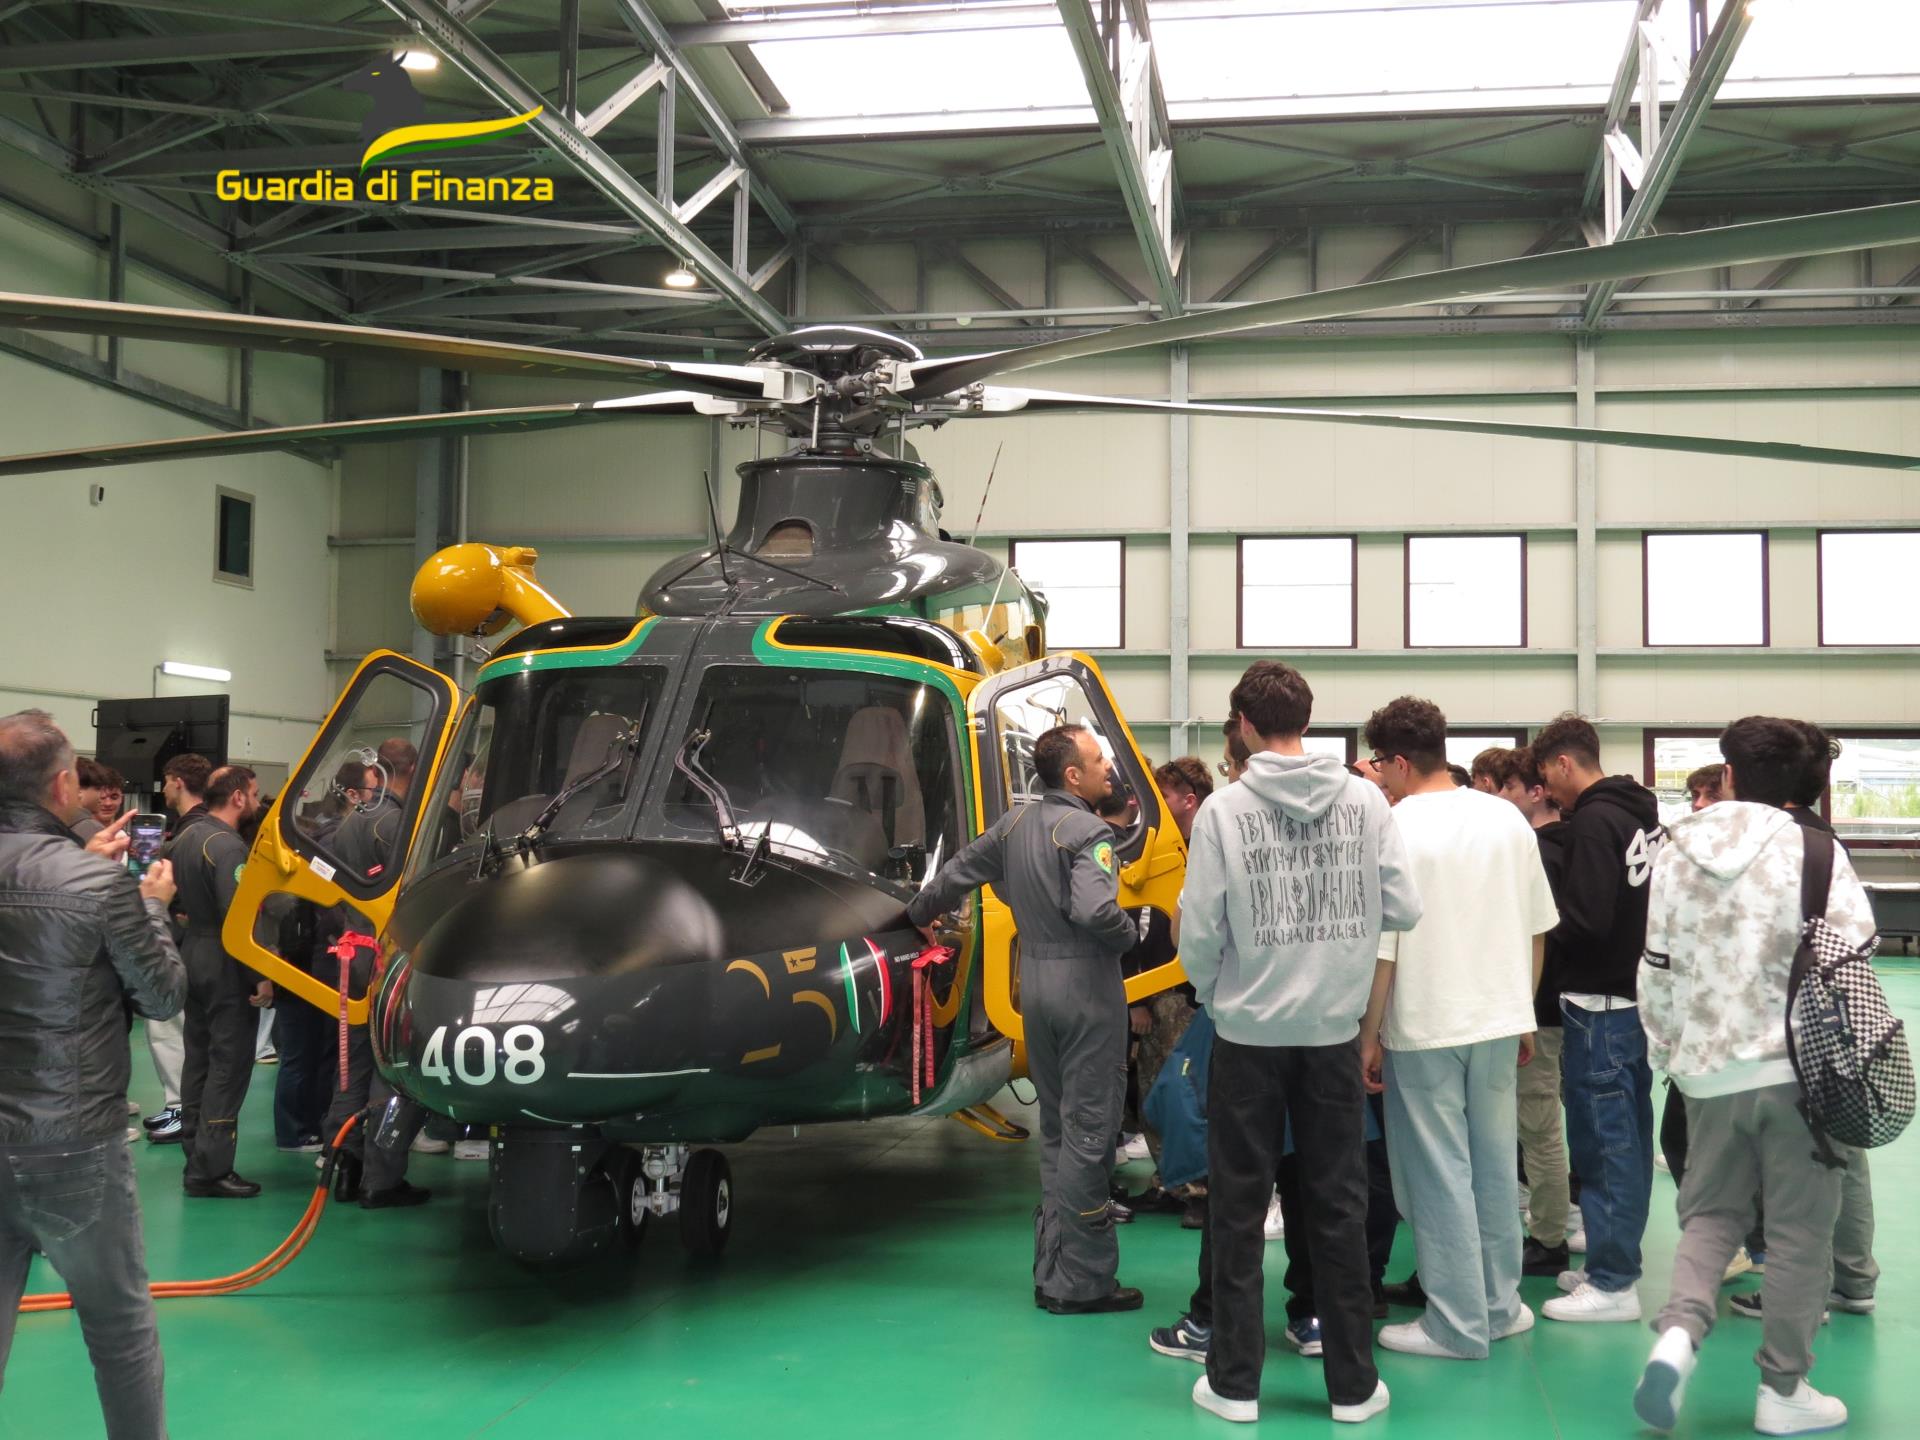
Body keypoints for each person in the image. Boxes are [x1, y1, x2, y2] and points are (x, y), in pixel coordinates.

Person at [1176, 663, 1417, 1425]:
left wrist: (1218, 997)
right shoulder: (1364, 800)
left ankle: (1235, 1385)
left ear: (1243, 725)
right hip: (1332, 1034)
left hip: (1247, 1034)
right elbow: (1404, 905)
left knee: (1239, 1208)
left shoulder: (1223, 809)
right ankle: (1352, 1386)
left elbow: (1201, 930)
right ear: (1306, 721)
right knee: (1338, 1205)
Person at [1633, 717, 1876, 1437]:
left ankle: (1678, 1336)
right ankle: (1783, 1390)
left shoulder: (1672, 846)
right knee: (1801, 1229)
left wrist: (1669, 1053)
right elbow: (1852, 956)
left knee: (1710, 1217)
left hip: (1705, 1071)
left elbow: (1657, 966)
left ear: (1729, 773)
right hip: (1799, 1073)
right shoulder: (1815, 849)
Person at [910, 724, 1142, 1313]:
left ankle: (1052, 1266)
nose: (1107, 768)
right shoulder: (1090, 832)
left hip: (1034, 987)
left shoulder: (1012, 825)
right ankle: (1082, 1282)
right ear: (1073, 776)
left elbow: (956, 873)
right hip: (1088, 987)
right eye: (1097, 760)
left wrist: (916, 913)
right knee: (1091, 1132)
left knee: (1059, 1132)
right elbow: (1095, 909)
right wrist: (1129, 932)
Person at [0, 710, 186, 1439]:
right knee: (118, 1331)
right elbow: (162, 994)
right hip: (73, 1143)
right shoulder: (101, 886)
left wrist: (84, 857)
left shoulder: (81, 868)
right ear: (63, 782)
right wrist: (150, 905)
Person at [1358, 696, 1559, 1361]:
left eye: (1380, 765)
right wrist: (1522, 1010)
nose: (1377, 777)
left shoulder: (1395, 827)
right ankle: (1500, 1308)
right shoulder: (1506, 817)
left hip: (1428, 1020)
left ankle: (1454, 1323)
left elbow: (1385, 945)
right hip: (1500, 1018)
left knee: (1440, 1170)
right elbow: (1536, 929)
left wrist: (1370, 1033)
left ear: (1398, 760)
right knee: (1497, 1165)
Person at [1726, 720, 1878, 1326]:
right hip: (1838, 1026)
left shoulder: (1778, 842)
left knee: (1798, 1175)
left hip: (1792, 1032)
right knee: (1842, 1154)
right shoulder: (1821, 839)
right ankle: (1854, 1278)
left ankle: (1803, 1293)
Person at [1529, 714, 1663, 1324]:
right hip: (1635, 997)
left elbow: (1583, 921)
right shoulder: (1642, 815)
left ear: (1563, 763)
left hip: (1597, 1005)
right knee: (1627, 1140)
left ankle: (1612, 1282)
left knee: (1604, 1144)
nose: (1549, 795)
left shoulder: (1591, 824)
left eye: (1547, 780)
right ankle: (1615, 1262)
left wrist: (1535, 923)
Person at [322, 739, 434, 1209]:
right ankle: (381, 1179)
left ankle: (342, 1166)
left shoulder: (351, 822)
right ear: (413, 771)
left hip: (350, 954)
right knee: (391, 1072)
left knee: (349, 1068)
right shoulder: (398, 825)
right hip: (387, 957)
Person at [1487, 746, 1575, 1278]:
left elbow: (1537, 932)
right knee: (1537, 1125)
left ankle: (1548, 1237)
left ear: (1535, 792)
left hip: (1539, 1009)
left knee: (1540, 1128)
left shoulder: (1543, 851)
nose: (1496, 800)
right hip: (1547, 1004)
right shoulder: (1563, 844)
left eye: (1505, 789)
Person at [173, 764, 269, 1198]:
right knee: (227, 1066)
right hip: (225, 960)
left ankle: (195, 1152)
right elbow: (239, 918)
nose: (257, 801)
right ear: (236, 797)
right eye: (254, 793)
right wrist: (261, 975)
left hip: (191, 952)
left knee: (198, 1059)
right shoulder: (229, 848)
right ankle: (212, 1170)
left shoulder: (187, 837)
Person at [1125, 758, 1213, 1224]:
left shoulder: (1206, 845)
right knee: (1156, 1090)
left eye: (1165, 797)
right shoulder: (1167, 848)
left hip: (1184, 990)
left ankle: (1198, 1188)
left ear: (1188, 799)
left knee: (1184, 1091)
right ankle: (1172, 1181)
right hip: (1161, 988)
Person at [72, 758, 126, 842]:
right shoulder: (78, 828)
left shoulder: (125, 838)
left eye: (114, 797)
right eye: (102, 797)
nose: (108, 803)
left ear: (121, 798)